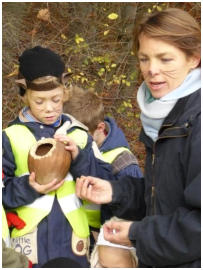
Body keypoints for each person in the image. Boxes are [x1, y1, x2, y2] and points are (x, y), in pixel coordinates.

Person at [75, 7, 201, 268]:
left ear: (194, 58)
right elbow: (165, 194)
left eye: (165, 59)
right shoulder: (162, 114)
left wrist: (136, 234)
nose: (152, 70)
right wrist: (116, 191)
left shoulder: (196, 119)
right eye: (144, 59)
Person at [2, 46, 114, 267]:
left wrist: (79, 159)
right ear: (25, 96)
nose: (49, 108)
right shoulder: (10, 137)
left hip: (73, 241)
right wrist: (29, 187)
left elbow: (107, 182)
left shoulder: (80, 135)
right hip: (29, 243)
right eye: (39, 101)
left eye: (55, 99)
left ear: (65, 92)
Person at [64, 86, 143, 225]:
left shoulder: (124, 163)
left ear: (100, 128)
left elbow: (133, 212)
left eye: (80, 134)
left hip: (100, 238)